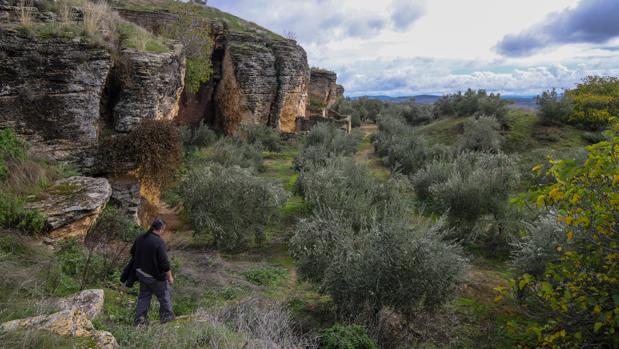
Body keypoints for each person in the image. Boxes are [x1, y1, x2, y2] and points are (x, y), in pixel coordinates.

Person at [130, 218, 175, 326]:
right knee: (164, 294)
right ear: (161, 229)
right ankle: (167, 318)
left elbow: (132, 252)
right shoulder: (159, 242)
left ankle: (139, 321)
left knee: (144, 296)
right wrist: (170, 277)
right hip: (155, 276)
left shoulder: (140, 237)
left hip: (141, 273)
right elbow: (164, 263)